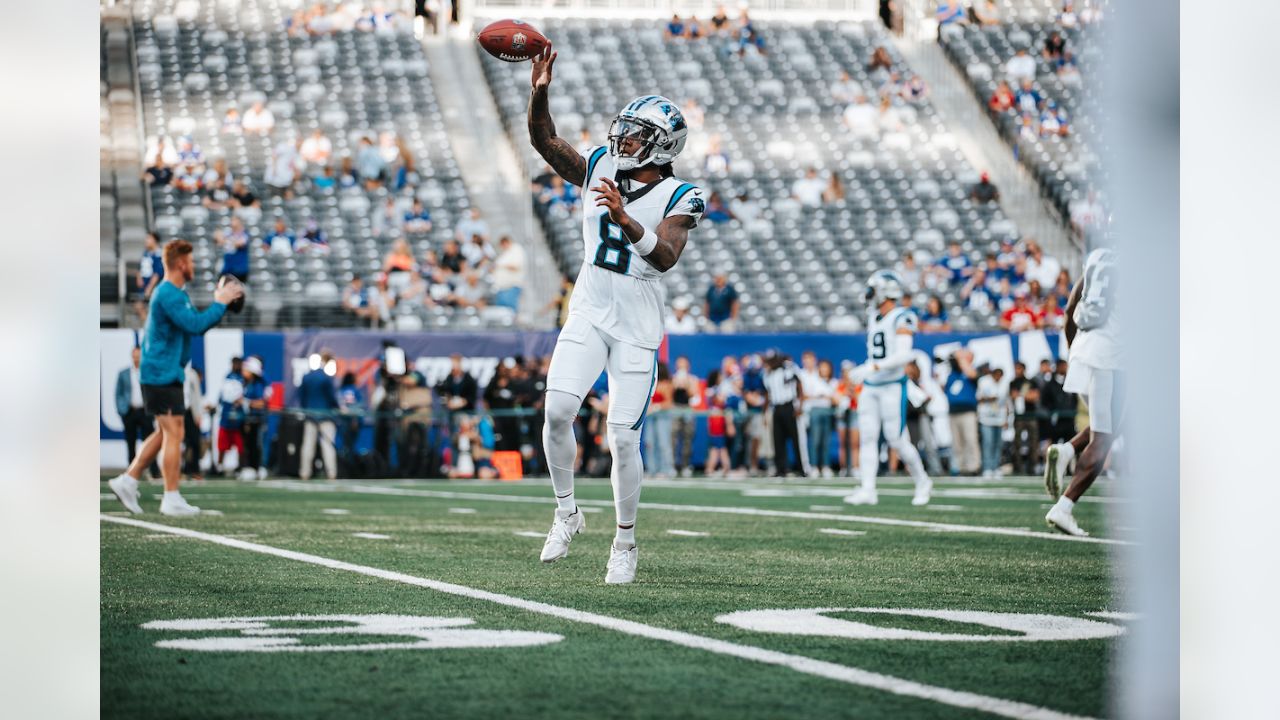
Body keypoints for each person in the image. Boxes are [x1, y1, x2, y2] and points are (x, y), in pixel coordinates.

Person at [528, 47, 705, 584]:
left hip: (636, 321)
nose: (621, 141)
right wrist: (540, 92)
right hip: (589, 307)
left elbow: (666, 256)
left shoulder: (683, 194)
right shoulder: (601, 165)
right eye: (623, 131)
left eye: (634, 136)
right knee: (557, 411)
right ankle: (567, 511)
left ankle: (625, 542)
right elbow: (545, 142)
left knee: (623, 436)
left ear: (661, 144)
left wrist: (625, 218)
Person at [106, 240, 243, 516]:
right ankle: (171, 497)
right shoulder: (169, 294)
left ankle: (128, 480)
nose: (192, 267)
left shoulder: (174, 293)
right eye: (190, 262)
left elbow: (193, 323)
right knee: (174, 432)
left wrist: (220, 303)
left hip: (163, 372)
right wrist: (220, 301)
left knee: (164, 432)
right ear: (181, 263)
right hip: (161, 373)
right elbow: (196, 325)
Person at [1044, 249, 1121, 536]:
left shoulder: (1098, 257)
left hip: (1083, 348)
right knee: (1104, 437)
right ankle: (1064, 507)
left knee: (1113, 423)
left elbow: (1070, 307)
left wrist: (1073, 348)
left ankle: (1067, 450)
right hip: (1110, 356)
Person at [843, 271, 933, 506]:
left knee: (896, 440)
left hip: (892, 385)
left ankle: (923, 480)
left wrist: (872, 366)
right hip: (872, 386)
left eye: (873, 290)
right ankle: (867, 489)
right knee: (868, 437)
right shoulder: (874, 317)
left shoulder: (902, 316)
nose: (869, 295)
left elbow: (905, 355)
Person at [115, 346, 159, 476]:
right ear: (132, 356)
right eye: (135, 355)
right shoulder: (123, 373)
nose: (137, 358)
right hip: (130, 412)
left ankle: (153, 471)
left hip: (145, 412)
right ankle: (132, 472)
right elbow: (118, 393)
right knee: (130, 441)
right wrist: (122, 410)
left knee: (150, 442)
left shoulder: (147, 372)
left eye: (139, 355)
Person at [297, 350, 340, 481]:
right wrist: (337, 408)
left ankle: (305, 472)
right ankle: (331, 473)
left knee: (308, 445)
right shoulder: (326, 378)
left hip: (310, 415)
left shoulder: (307, 377)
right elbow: (332, 398)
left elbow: (302, 398)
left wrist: (306, 410)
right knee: (327, 445)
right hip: (326, 416)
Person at [763, 352, 804, 477]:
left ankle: (801, 468)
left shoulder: (788, 369)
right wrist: (765, 412)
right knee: (777, 440)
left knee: (796, 439)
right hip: (776, 408)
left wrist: (799, 405)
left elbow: (799, 385)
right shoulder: (768, 374)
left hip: (789, 406)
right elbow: (768, 394)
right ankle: (781, 468)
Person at [943, 349, 981, 475]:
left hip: (968, 411)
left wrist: (961, 358)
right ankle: (959, 467)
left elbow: (972, 374)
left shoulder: (970, 371)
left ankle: (973, 467)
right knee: (957, 442)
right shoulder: (952, 374)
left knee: (970, 439)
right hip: (953, 411)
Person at [801, 356, 838, 477]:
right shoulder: (813, 379)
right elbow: (806, 395)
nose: (824, 370)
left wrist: (828, 398)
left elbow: (835, 399)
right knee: (815, 440)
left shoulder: (833, 382)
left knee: (826, 441)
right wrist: (819, 396)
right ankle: (814, 466)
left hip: (828, 411)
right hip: (815, 411)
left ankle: (825, 466)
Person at [1009, 361, 1041, 475]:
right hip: (1019, 416)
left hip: (1031, 415)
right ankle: (1018, 467)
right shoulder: (1013, 382)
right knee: (1017, 443)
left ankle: (1032, 467)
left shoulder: (1031, 382)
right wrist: (1027, 395)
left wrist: (1022, 395)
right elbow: (1013, 396)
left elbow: (1035, 397)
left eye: (1019, 369)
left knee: (1033, 442)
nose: (1017, 371)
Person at [669, 356, 699, 478]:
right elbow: (669, 394)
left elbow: (694, 395)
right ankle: (672, 465)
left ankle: (686, 465)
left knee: (688, 437)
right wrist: (676, 384)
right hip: (675, 408)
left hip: (687, 409)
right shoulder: (672, 378)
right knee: (673, 438)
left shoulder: (693, 379)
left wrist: (686, 384)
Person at [977, 366, 1008, 478]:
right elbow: (978, 398)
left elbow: (1006, 403)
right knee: (987, 443)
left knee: (998, 444)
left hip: (999, 418)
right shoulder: (983, 382)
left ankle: (995, 467)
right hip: (986, 418)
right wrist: (989, 399)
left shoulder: (1005, 384)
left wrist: (1006, 419)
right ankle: (987, 468)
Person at [491, 235, 526, 311]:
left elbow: (516, 266)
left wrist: (500, 266)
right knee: (501, 313)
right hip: (501, 288)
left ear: (505, 242)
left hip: (510, 287)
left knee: (509, 312)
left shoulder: (516, 249)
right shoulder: (506, 253)